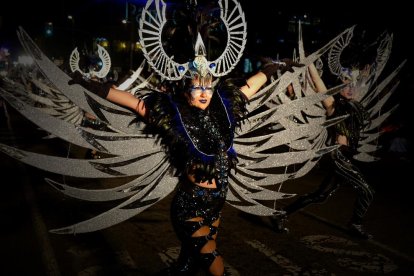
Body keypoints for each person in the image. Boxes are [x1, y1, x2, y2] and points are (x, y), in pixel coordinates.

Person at [68, 37, 302, 274]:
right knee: (216, 268)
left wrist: (275, 67)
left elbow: (249, 87)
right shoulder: (174, 117)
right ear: (186, 89)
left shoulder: (222, 111)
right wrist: (92, 86)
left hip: (215, 205)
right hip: (190, 208)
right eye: (197, 87)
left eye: (208, 87)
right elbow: (136, 104)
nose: (204, 93)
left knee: (188, 265)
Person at [270, 62, 375, 240]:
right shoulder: (333, 104)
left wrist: (367, 71)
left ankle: (281, 214)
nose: (350, 88)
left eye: (353, 85)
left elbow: (363, 82)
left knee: (321, 195)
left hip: (347, 157)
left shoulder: (356, 106)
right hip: (338, 156)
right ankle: (355, 224)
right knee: (367, 191)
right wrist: (310, 65)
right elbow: (319, 85)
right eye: (345, 84)